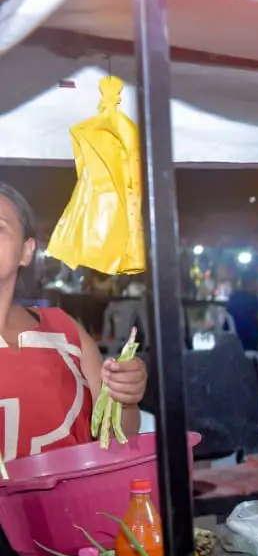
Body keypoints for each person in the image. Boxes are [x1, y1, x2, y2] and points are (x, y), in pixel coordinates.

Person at [0, 182, 148, 465]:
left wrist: (125, 398)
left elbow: (117, 438)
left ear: (26, 251)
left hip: (72, 506)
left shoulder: (64, 331)